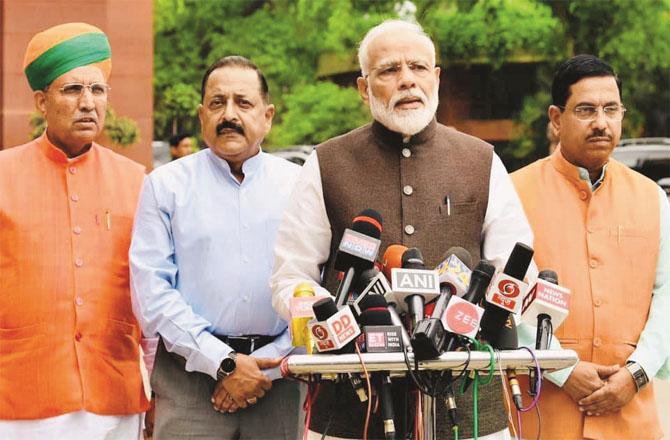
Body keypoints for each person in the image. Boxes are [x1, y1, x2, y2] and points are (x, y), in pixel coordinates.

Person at [270, 19, 545, 440]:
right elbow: (291, 278)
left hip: (468, 398)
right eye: (389, 70)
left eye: (418, 68)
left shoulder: (481, 160)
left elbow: (516, 272)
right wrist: (328, 319)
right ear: (364, 88)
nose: (407, 81)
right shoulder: (326, 164)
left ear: (436, 78)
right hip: (352, 403)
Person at [130, 56, 302, 439]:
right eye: (217, 103)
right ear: (201, 114)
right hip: (189, 381)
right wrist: (223, 363)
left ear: (268, 115)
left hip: (278, 379)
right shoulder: (165, 186)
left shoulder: (300, 185)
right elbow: (152, 295)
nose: (229, 114)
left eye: (243, 103)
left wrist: (261, 368)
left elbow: (316, 285)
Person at [0, 23, 148, 439]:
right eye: (72, 90)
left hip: (113, 393)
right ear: (41, 102)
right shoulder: (2, 175)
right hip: (19, 396)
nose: (88, 103)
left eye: (97, 91)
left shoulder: (136, 180)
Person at [511, 54, 670, 440]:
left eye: (611, 109)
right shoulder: (514, 193)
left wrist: (636, 374)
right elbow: (504, 300)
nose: (601, 122)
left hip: (632, 412)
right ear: (555, 118)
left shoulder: (652, 197)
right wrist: (561, 368)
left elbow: (666, 296)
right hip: (543, 409)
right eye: (585, 109)